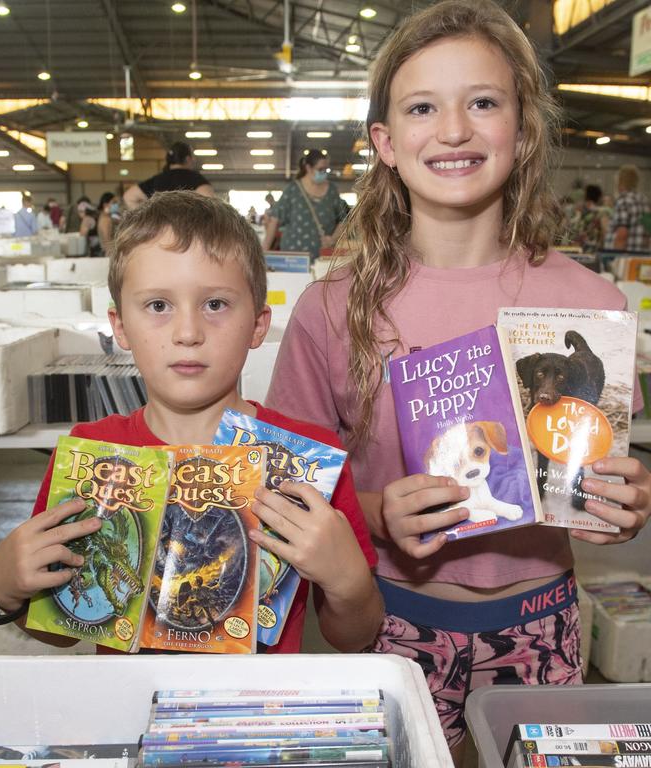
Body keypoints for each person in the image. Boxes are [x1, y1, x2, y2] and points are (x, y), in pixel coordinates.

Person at [265, 1, 651, 759]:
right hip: (390, 614)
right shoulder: (331, 308)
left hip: (543, 617)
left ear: (522, 126)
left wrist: (630, 499)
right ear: (384, 141)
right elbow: (284, 486)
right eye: (421, 108)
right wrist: (373, 512)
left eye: (482, 102)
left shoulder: (592, 306)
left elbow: (599, 471)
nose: (453, 130)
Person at [0, 190, 383, 655]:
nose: (188, 333)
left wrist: (349, 583)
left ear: (257, 323)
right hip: (128, 716)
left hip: (256, 717)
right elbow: (57, 627)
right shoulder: (93, 452)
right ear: (120, 326)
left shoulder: (307, 460)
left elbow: (353, 635)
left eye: (215, 304)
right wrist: (2, 585)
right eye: (157, 306)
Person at [261, 150, 349, 261]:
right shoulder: (293, 189)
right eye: (320, 169)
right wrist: (263, 252)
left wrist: (332, 239)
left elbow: (343, 220)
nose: (324, 173)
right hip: (294, 258)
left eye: (326, 169)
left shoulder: (332, 191)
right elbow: (275, 220)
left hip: (322, 258)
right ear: (308, 168)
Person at [123, 142, 214, 210]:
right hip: (189, 231)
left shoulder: (157, 180)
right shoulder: (197, 180)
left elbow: (129, 196)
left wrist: (147, 218)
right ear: (188, 159)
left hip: (160, 231)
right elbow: (209, 204)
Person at [608, 165, 650, 252]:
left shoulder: (624, 200)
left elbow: (622, 234)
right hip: (641, 256)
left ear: (620, 181)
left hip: (625, 257)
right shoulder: (644, 200)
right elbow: (648, 230)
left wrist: (615, 257)